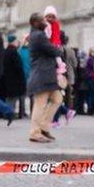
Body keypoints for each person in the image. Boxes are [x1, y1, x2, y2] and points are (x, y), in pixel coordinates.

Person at [26, 12, 63, 143]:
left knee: (57, 99)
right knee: (40, 104)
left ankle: (44, 127)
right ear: (36, 23)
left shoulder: (36, 35)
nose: (46, 22)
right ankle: (35, 132)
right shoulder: (39, 36)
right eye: (43, 20)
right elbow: (55, 51)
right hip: (41, 75)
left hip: (46, 74)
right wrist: (57, 48)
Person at [0, 34, 28, 119]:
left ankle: (7, 112)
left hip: (7, 77)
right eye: (16, 41)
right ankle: (9, 113)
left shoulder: (6, 51)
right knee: (13, 97)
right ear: (13, 41)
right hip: (14, 78)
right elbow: (18, 66)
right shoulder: (13, 52)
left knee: (9, 97)